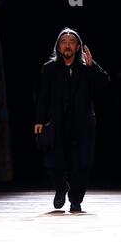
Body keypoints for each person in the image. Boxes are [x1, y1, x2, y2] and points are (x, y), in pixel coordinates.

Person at [35, 28, 110, 213]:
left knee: (82, 164)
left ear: (77, 47)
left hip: (82, 123)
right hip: (57, 123)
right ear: (59, 47)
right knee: (54, 162)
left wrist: (93, 66)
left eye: (71, 41)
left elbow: (105, 82)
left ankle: (76, 199)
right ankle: (61, 188)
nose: (67, 45)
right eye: (63, 41)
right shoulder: (49, 68)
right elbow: (43, 96)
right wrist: (39, 120)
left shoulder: (86, 68)